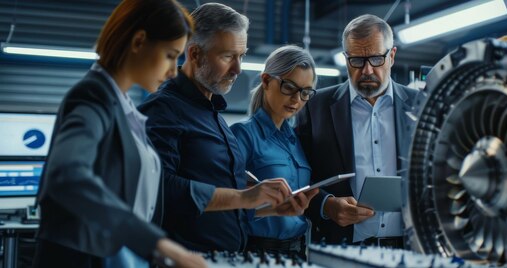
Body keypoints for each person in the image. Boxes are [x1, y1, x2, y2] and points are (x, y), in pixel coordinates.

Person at [33, 0, 206, 267]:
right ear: (138, 41)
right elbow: (67, 174)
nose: (173, 72)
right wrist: (159, 244)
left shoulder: (122, 106)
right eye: (171, 55)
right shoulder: (93, 96)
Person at [138, 3, 317, 253]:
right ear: (195, 54)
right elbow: (157, 189)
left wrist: (271, 209)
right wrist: (245, 197)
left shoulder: (214, 116)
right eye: (228, 57)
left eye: (241, 56)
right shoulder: (163, 109)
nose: (238, 70)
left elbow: (222, 210)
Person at [296, 14, 426, 247]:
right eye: (356, 60)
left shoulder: (422, 105)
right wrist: (326, 205)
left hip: (411, 247)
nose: (366, 70)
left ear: (392, 56)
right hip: (341, 247)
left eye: (376, 59)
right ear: (346, 59)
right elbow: (298, 180)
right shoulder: (315, 108)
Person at [231, 45, 319, 258]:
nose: (297, 99)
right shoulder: (243, 135)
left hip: (298, 253)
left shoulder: (296, 140)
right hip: (256, 252)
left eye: (305, 92)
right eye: (289, 87)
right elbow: (226, 205)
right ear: (266, 81)